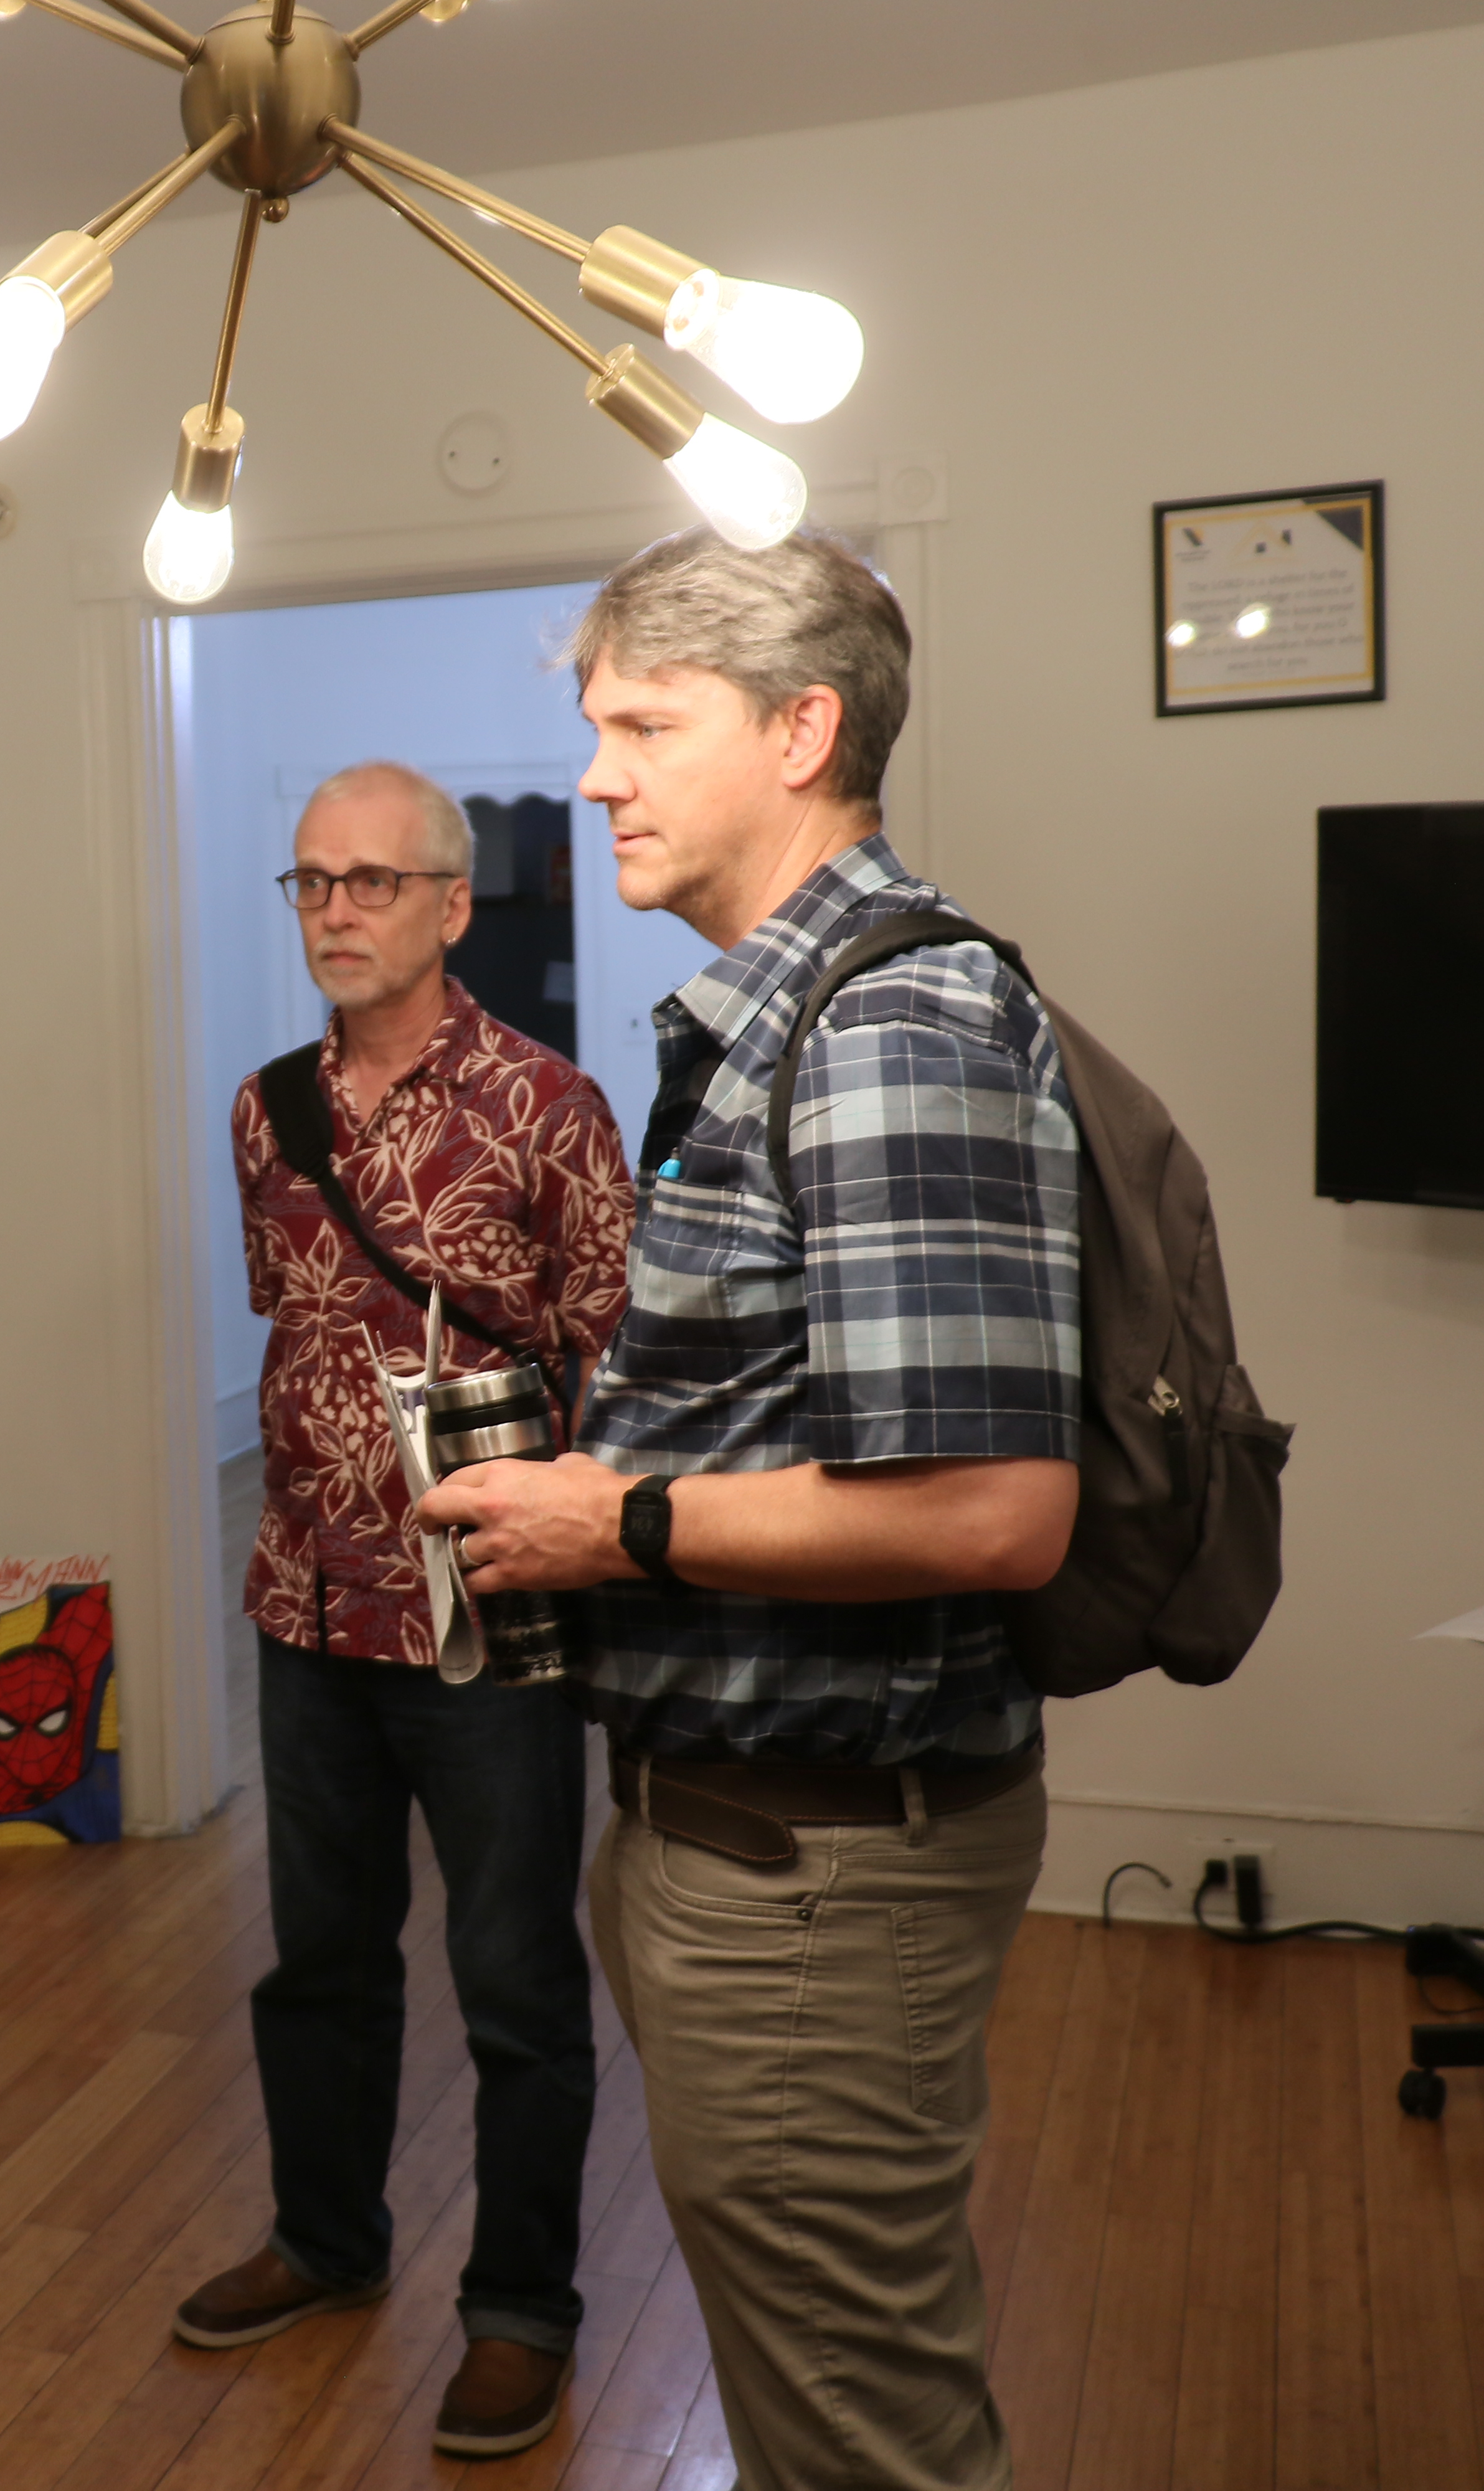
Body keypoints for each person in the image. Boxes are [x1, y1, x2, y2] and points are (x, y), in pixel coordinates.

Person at [415, 532, 1082, 2491]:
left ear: (804, 732)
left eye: (644, 725)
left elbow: (990, 1516)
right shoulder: (775, 1022)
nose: (598, 776)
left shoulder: (884, 1027)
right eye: (595, 726)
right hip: (749, 1839)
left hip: (818, 1874)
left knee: (860, 2435)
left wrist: (610, 1525)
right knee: (826, 2399)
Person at [173, 762, 631, 2462]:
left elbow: (613, 1357)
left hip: (488, 1615)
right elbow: (294, 1337)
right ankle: (324, 2241)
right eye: (309, 884)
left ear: (453, 904)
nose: (336, 910)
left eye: (372, 881)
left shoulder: (549, 1105)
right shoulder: (263, 1105)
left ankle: (522, 2312)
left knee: (512, 1979)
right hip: (303, 1607)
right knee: (320, 1963)